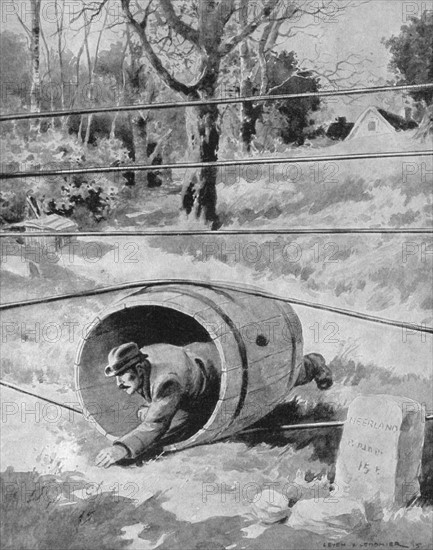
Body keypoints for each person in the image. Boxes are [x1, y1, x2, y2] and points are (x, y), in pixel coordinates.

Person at [95, 342, 332, 468]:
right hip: (198, 363)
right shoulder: (144, 358)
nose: (118, 384)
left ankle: (314, 364)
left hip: (221, 377)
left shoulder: (167, 380)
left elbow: (156, 423)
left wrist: (122, 448)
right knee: (167, 421)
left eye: (122, 376)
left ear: (138, 369)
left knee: (280, 378)